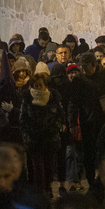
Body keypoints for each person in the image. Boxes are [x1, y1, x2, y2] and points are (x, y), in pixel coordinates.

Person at [20, 62, 66, 195]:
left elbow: (60, 115)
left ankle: (48, 188)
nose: (39, 87)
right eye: (36, 85)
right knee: (38, 169)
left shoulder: (53, 97)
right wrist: (28, 135)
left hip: (50, 139)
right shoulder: (27, 99)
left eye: (40, 85)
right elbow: (23, 119)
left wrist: (56, 127)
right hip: (34, 140)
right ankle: (40, 193)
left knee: (49, 169)